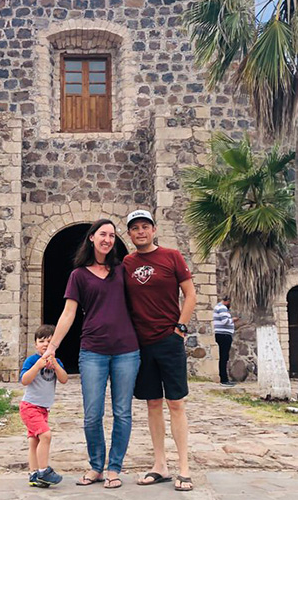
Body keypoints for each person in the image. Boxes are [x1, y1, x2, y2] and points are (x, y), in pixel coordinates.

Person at [46, 218, 141, 489]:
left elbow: (145, 298)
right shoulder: (79, 275)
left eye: (112, 235)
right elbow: (68, 313)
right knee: (92, 413)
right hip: (93, 352)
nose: (108, 239)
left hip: (126, 351)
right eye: (103, 234)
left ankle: (114, 468)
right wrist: (52, 346)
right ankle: (96, 466)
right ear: (92, 238)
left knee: (122, 412)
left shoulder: (122, 270)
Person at [123, 209, 198, 492]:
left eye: (145, 226)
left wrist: (180, 328)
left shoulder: (172, 257)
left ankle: (184, 468)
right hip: (140, 344)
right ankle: (160, 465)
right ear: (129, 235)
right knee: (152, 404)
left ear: (153, 230)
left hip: (169, 340)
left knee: (176, 403)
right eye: (134, 228)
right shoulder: (127, 263)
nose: (140, 232)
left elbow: (190, 294)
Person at [19, 324, 68, 488]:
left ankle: (34, 475)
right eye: (41, 341)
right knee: (46, 435)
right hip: (29, 407)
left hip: (43, 409)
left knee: (34, 441)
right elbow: (24, 380)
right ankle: (43, 471)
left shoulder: (57, 361)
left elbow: (64, 379)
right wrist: (38, 365)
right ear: (35, 344)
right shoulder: (32, 360)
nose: (45, 344)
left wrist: (55, 365)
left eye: (49, 341)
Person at [213, 295, 238, 386]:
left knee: (224, 357)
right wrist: (233, 320)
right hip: (224, 335)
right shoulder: (222, 308)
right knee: (224, 357)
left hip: (222, 334)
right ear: (227, 301)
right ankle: (224, 379)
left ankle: (224, 378)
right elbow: (225, 321)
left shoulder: (218, 307)